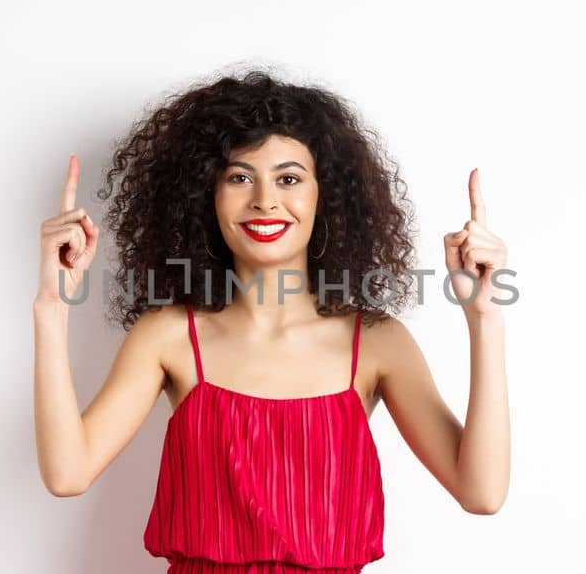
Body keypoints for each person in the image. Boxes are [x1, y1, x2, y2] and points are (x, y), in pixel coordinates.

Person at [32, 69, 510, 573]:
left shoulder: (376, 342)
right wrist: (51, 307)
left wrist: (485, 319)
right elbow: (68, 474)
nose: (264, 200)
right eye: (240, 177)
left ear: (324, 195)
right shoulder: (169, 336)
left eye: (289, 178)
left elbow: (482, 493)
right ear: (205, 196)